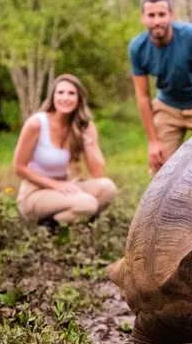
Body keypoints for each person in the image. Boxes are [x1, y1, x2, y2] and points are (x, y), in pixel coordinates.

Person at [129, 0, 192, 175]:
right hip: (168, 106)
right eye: (151, 15)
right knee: (160, 168)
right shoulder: (137, 48)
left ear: (171, 15)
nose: (157, 21)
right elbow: (142, 95)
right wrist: (152, 141)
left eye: (162, 14)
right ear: (142, 18)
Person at [12, 74, 117, 230]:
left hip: (63, 187)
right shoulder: (37, 123)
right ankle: (48, 229)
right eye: (60, 92)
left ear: (79, 98)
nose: (65, 98)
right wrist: (55, 185)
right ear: (53, 96)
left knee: (107, 188)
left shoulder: (83, 126)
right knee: (87, 203)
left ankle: (75, 226)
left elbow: (98, 173)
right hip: (33, 194)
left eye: (71, 93)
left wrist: (86, 139)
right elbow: (19, 167)